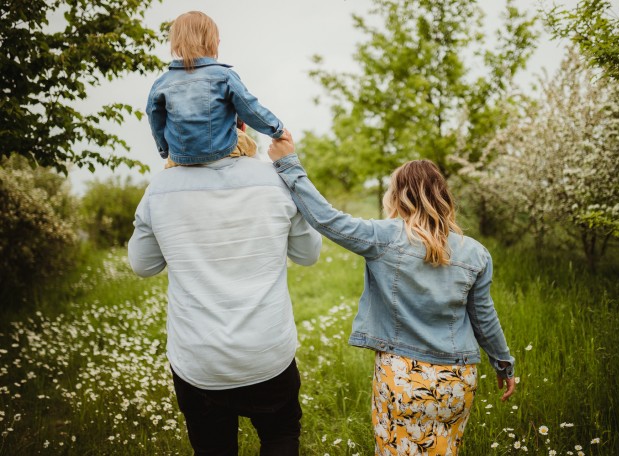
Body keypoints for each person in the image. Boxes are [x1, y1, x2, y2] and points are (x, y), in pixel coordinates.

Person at [268, 132, 516, 455]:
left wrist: (288, 164)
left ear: (399, 197)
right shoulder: (477, 253)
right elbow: (484, 319)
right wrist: (504, 364)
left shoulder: (383, 238)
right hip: (458, 379)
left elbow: (326, 219)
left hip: (403, 379)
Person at [127, 129, 322, 455]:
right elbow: (308, 254)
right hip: (267, 354)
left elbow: (142, 265)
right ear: (241, 126)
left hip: (199, 362)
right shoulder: (277, 180)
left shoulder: (160, 189)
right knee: (280, 436)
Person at [146, 11, 284, 167]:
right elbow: (250, 109)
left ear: (175, 43)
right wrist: (277, 129)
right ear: (215, 43)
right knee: (248, 144)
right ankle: (256, 180)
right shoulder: (224, 76)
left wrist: (164, 149)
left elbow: (155, 118)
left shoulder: (162, 83)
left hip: (180, 156)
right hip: (222, 150)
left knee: (168, 168)